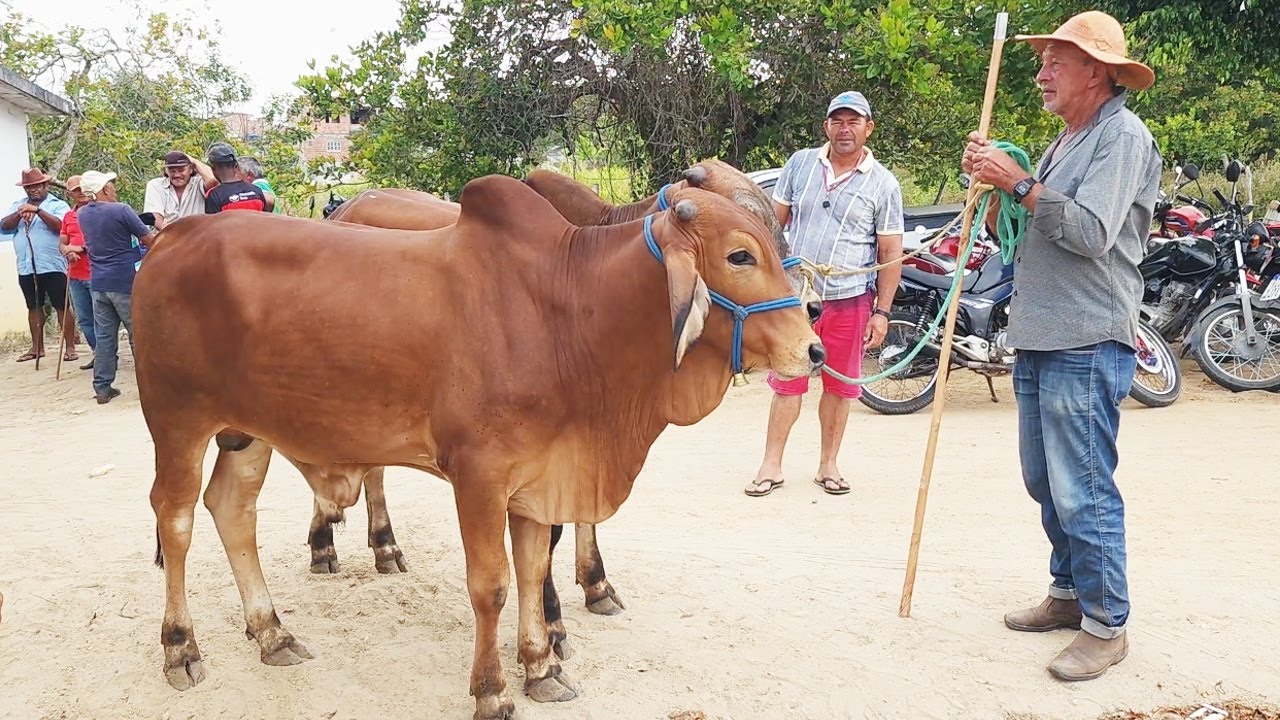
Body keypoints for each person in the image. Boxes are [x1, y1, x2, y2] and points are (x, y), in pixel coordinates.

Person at [963, 10, 1160, 681]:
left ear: (1097, 73)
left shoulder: (1122, 137)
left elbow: (1091, 232)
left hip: (1086, 336)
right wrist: (996, 185)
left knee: (1083, 490)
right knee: (1045, 481)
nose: (1042, 73)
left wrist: (1015, 181)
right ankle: (1069, 593)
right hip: (1042, 333)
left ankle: (1107, 627)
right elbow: (1028, 221)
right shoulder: (1067, 140)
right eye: (1042, 60)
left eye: (1056, 61)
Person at [746, 90, 904, 498]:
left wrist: (881, 312)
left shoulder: (883, 184)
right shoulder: (800, 164)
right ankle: (771, 465)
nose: (844, 129)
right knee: (787, 379)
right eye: (837, 120)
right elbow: (771, 226)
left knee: (840, 387)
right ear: (826, 126)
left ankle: (828, 465)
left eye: (854, 121)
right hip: (797, 300)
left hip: (850, 298)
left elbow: (890, 252)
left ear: (868, 128)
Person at [76, 170, 158, 404]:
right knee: (137, 335)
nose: (114, 189)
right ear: (103, 190)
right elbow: (148, 239)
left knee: (104, 337)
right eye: (110, 185)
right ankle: (148, 387)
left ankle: (102, 387)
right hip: (124, 281)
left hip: (99, 282)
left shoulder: (82, 214)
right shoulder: (120, 209)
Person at [1, 168, 72, 363]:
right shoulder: (18, 205)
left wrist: (38, 211)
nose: (33, 190)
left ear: (46, 185)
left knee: (61, 305)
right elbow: (4, 225)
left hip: (53, 264)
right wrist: (20, 213)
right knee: (33, 306)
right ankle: (37, 348)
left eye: (37, 186)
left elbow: (61, 226)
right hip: (27, 265)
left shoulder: (57, 204)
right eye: (29, 187)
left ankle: (71, 347)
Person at [58, 174, 96, 369]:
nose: (80, 193)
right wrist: (67, 252)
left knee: (102, 318)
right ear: (69, 193)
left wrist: (78, 250)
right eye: (76, 190)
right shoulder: (68, 216)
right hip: (75, 274)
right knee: (85, 318)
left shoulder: (97, 211)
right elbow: (62, 242)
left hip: (95, 273)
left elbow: (100, 239)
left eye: (83, 188)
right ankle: (99, 354)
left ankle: (107, 356)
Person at [142, 150, 219, 230]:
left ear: (191, 169)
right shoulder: (156, 185)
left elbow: (213, 180)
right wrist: (164, 228)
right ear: (166, 171)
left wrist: (193, 160)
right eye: (172, 171)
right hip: (165, 236)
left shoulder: (198, 183)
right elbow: (155, 216)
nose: (177, 175)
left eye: (181, 170)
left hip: (195, 237)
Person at [204, 143, 270, 213]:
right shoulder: (256, 191)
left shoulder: (214, 195)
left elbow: (212, 223)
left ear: (213, 168)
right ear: (236, 166)